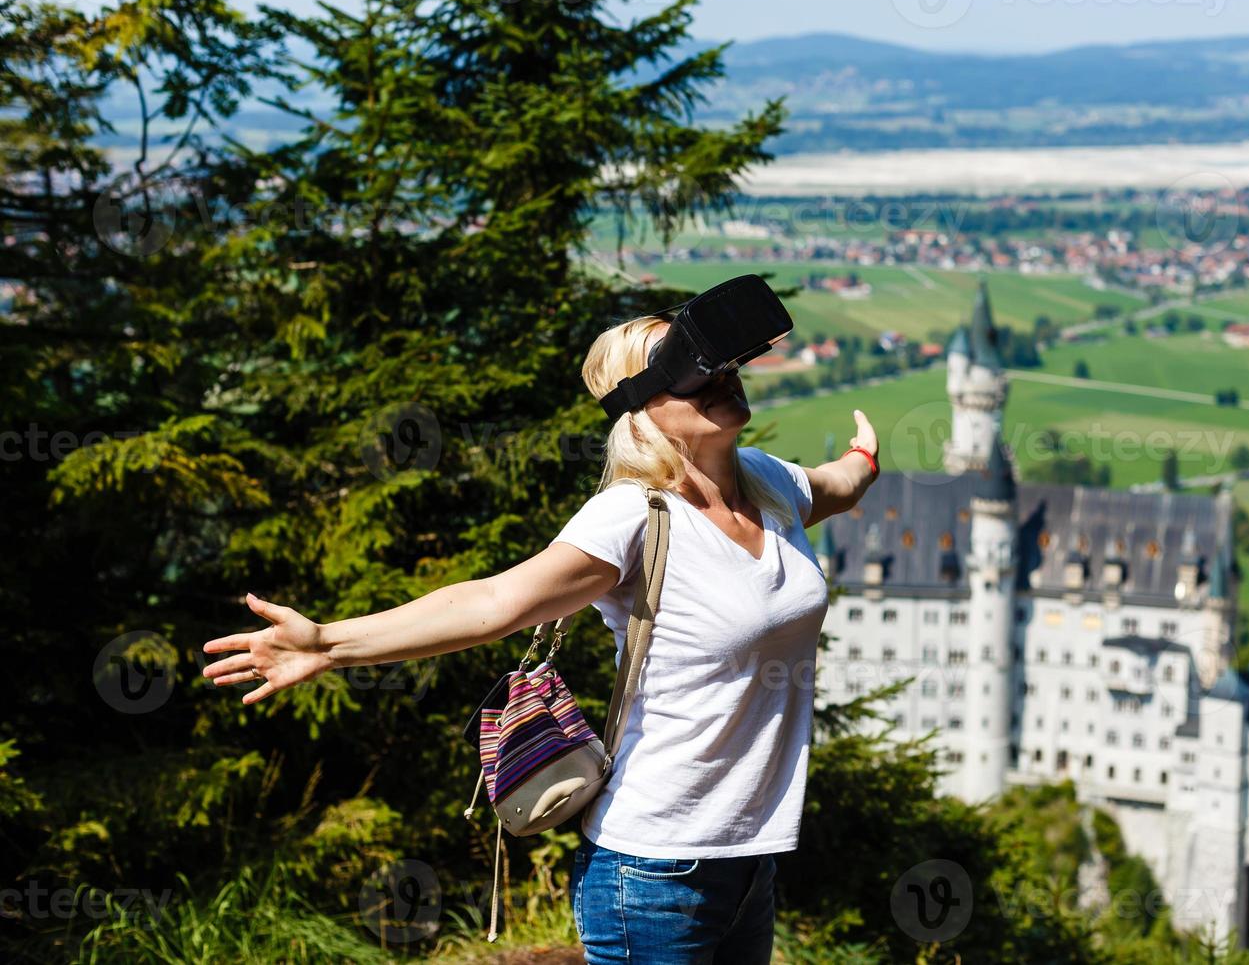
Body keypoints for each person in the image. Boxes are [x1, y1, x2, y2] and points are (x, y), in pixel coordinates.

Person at [201, 309, 881, 963]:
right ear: (640, 407)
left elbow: (836, 485)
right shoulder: (633, 517)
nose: (723, 376)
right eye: (692, 372)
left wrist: (863, 456)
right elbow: (495, 601)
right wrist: (328, 643)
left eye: (724, 362)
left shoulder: (768, 483)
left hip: (750, 860)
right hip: (654, 872)